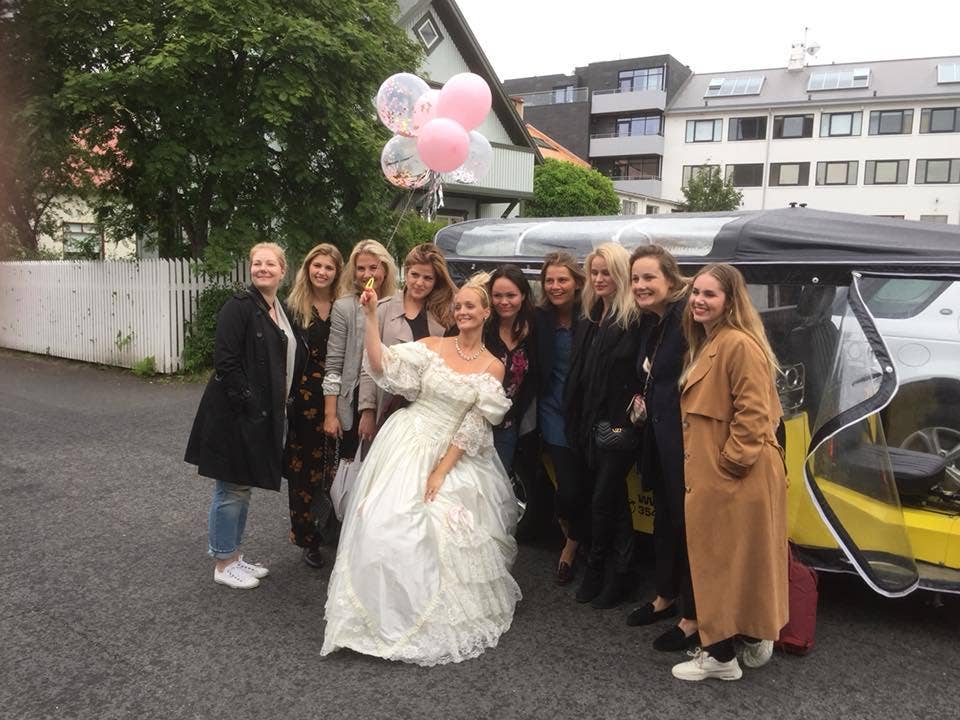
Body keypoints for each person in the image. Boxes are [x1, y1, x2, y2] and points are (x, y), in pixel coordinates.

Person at [321, 277, 521, 666]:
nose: (462, 312)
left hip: (451, 454)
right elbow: (381, 366)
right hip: (407, 440)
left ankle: (424, 616)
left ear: (486, 312)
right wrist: (370, 318)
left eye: (470, 306)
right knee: (382, 523)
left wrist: (440, 472)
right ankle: (372, 617)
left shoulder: (494, 366)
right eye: (458, 306)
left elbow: (474, 426)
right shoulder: (431, 347)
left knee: (437, 530)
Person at [671, 263, 789, 682]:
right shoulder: (711, 340)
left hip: (735, 476)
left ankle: (720, 657)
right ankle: (733, 642)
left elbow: (755, 412)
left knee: (719, 562)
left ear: (730, 301)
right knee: (725, 562)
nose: (699, 300)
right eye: (695, 292)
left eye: (710, 294)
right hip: (721, 473)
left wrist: (730, 465)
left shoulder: (737, 343)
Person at [185, 242, 306, 589]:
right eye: (257, 263)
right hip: (236, 415)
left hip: (262, 414)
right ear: (250, 269)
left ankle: (234, 556)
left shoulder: (278, 309)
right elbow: (225, 361)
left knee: (242, 486)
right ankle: (223, 562)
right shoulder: (239, 307)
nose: (263, 269)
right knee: (231, 487)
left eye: (270, 264)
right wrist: (249, 404)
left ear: (283, 271)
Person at [624, 246, 699, 651]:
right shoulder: (653, 322)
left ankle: (693, 617)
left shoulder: (688, 318)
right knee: (666, 522)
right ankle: (665, 596)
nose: (640, 285)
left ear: (671, 279)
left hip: (688, 442)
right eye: (636, 278)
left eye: (649, 277)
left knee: (688, 526)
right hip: (660, 437)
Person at [564, 243, 644, 609]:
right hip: (589, 421)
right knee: (610, 500)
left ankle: (602, 570)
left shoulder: (634, 319)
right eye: (594, 272)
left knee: (602, 500)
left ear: (621, 274)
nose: (598, 278)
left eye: (606, 272)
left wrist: (625, 419)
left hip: (618, 425)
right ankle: (621, 571)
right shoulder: (591, 316)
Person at [284, 243, 344, 569]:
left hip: (338, 395)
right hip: (304, 398)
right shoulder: (291, 307)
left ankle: (333, 530)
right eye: (316, 265)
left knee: (334, 470)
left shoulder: (344, 306)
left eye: (329, 267)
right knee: (304, 472)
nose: (322, 271)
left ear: (337, 272)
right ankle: (308, 539)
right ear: (307, 268)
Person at [357, 242, 455, 431]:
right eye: (415, 275)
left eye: (428, 278)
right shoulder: (382, 308)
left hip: (429, 412)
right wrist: (367, 410)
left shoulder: (444, 315)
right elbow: (368, 362)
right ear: (406, 273)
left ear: (436, 281)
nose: (419, 283)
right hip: (388, 406)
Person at [533, 252, 587, 585]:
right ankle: (570, 545)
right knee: (567, 489)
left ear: (577, 283)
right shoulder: (539, 318)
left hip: (586, 411)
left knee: (586, 485)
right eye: (549, 280)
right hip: (552, 409)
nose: (555, 286)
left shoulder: (592, 316)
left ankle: (580, 541)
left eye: (562, 279)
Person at [322, 240, 398, 461]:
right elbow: (334, 363)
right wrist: (330, 414)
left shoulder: (399, 303)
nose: (366, 274)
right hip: (354, 401)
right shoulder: (344, 307)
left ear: (385, 268)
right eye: (360, 268)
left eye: (373, 268)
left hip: (390, 399)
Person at [485, 264, 538, 476]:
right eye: (497, 295)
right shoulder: (482, 327)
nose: (504, 302)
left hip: (507, 426)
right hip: (474, 424)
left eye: (511, 295)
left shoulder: (533, 329)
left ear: (523, 295)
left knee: (498, 488)